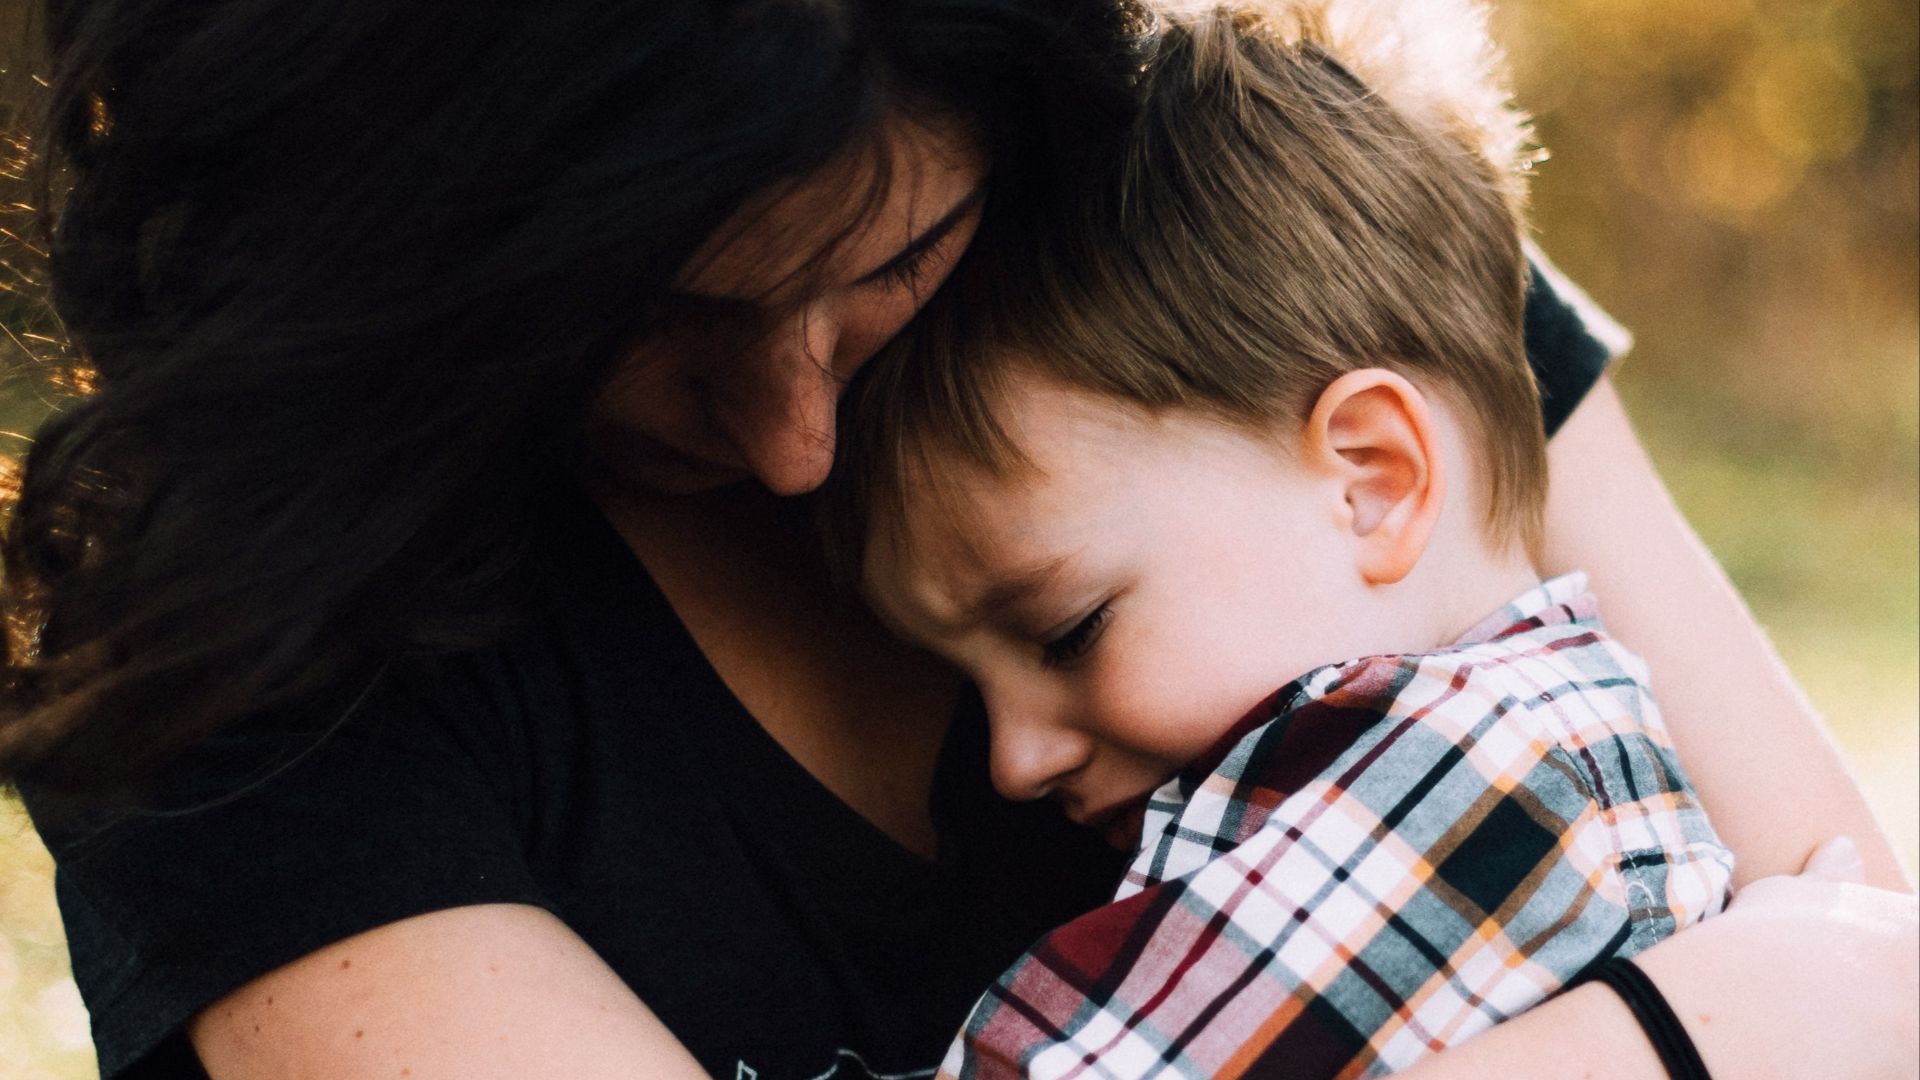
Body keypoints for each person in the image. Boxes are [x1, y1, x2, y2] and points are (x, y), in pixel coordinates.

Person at [0, 2, 1909, 1079]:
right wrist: (1690, 1030)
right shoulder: (240, 630)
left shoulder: (1275, 267)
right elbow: (1839, 993)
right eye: (634, 325)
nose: (792, 441)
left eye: (886, 268)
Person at [824, 4, 1731, 1074]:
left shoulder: (1469, 789)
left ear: (1371, 482)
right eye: (965, 684)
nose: (1012, 760)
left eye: (1069, 632)